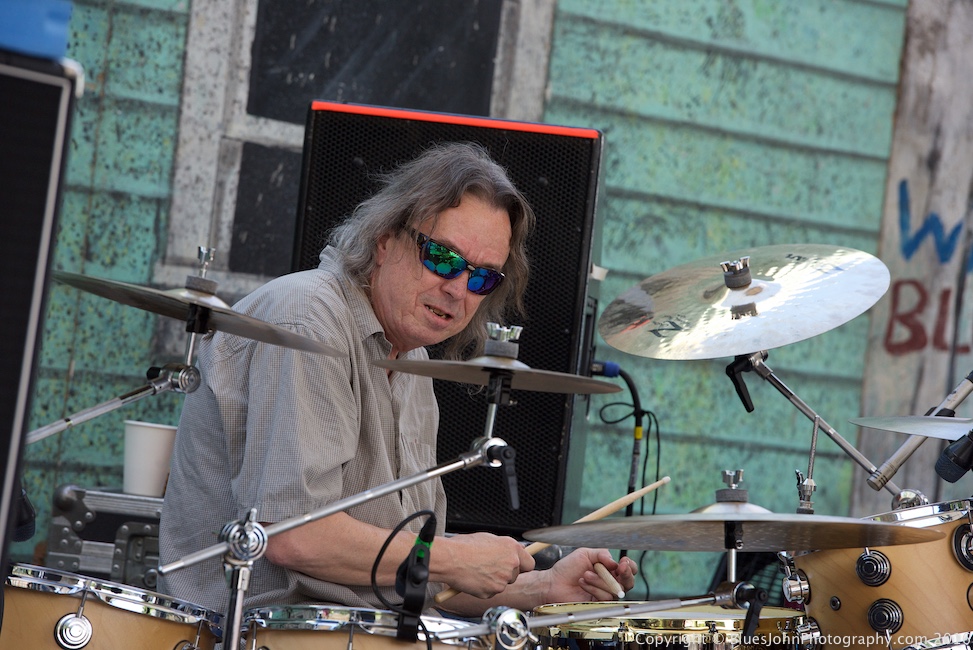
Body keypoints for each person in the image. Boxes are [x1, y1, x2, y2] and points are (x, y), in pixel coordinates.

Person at [158, 141, 636, 621]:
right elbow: (290, 535)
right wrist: (455, 557)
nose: (457, 288)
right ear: (386, 240)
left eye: (482, 279)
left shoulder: (413, 366)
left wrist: (545, 586)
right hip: (250, 632)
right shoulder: (309, 318)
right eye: (443, 258)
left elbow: (411, 575)